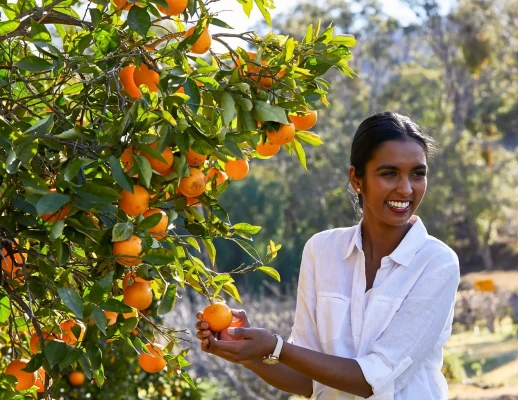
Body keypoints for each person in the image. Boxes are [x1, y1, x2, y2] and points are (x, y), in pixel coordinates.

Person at [195, 111, 460, 399]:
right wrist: (245, 353)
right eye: (389, 173)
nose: (406, 188)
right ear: (356, 179)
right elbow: (309, 380)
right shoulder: (321, 251)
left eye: (417, 174)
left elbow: (374, 380)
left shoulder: (436, 263)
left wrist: (275, 347)